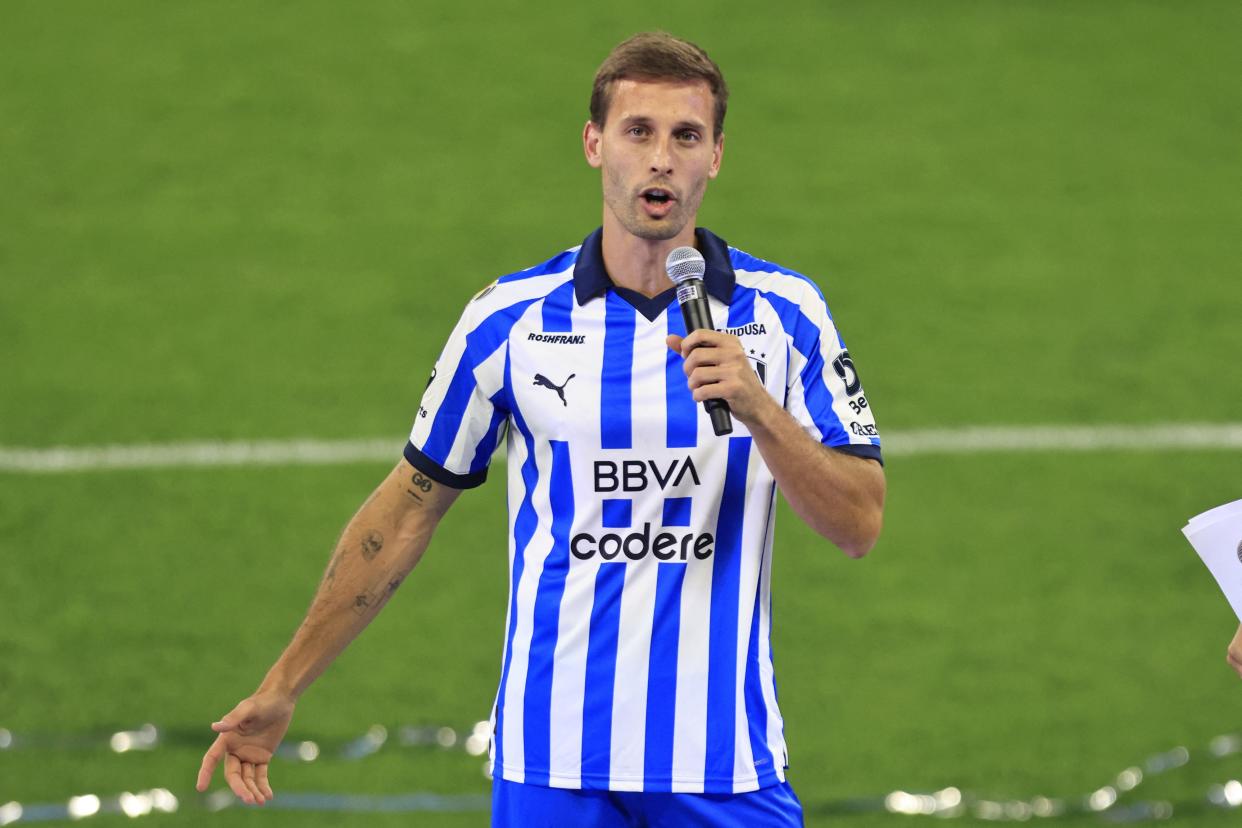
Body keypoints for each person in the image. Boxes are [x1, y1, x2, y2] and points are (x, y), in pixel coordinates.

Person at [196, 31, 886, 826]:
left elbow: (860, 522)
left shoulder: (786, 315)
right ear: (595, 144)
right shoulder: (507, 321)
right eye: (639, 132)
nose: (661, 158)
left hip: (722, 761)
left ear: (716, 156)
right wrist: (284, 684)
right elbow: (407, 508)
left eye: (686, 136)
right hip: (552, 768)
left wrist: (763, 412)